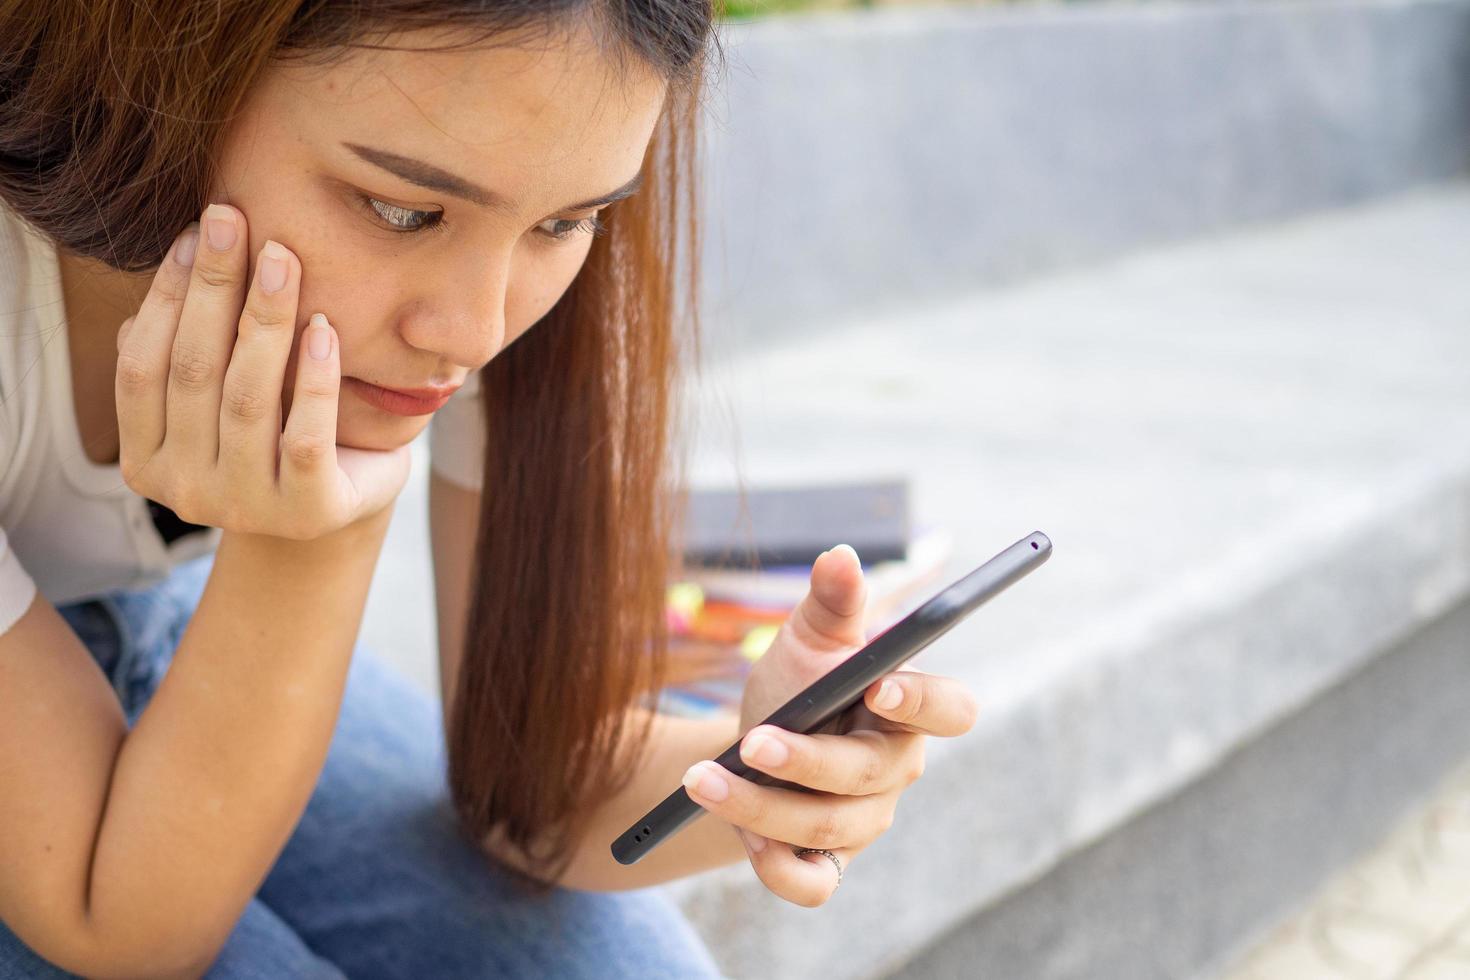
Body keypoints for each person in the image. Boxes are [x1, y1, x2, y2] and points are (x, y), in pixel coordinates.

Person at [0, 1, 983, 976]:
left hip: (139, 618)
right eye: (400, 209)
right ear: (175, 76)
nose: (474, 331)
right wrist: (318, 537)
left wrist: (767, 762)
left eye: (567, 220)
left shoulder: (508, 224)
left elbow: (537, 795)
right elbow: (121, 925)